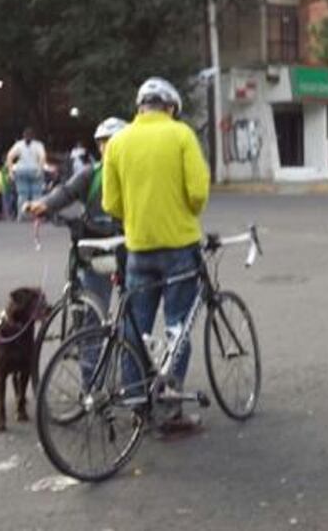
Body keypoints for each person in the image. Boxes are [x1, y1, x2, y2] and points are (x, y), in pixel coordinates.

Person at [102, 77, 208, 434]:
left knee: (135, 329)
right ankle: (170, 408)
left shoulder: (118, 142)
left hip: (138, 249)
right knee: (178, 326)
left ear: (139, 106)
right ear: (171, 107)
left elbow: (110, 204)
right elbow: (197, 194)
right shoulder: (181, 135)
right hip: (179, 246)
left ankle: (136, 404)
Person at [24, 117, 127, 311]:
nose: (107, 147)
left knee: (134, 305)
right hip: (96, 241)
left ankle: (128, 339)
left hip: (129, 242)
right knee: (94, 302)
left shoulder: (135, 173)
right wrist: (44, 205)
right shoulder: (92, 173)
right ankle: (91, 339)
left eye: (113, 142)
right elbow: (67, 191)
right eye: (103, 142)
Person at [6, 127, 46, 220]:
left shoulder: (18, 144)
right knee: (36, 195)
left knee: (22, 194)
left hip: (20, 170)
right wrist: (40, 170)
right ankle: (37, 215)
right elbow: (42, 157)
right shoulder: (38, 145)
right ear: (33, 137)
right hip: (34, 170)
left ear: (23, 136)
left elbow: (10, 156)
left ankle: (21, 215)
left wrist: (11, 171)